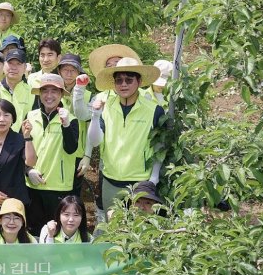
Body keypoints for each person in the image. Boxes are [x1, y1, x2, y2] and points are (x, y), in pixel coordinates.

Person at [87, 57, 164, 227]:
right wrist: (95, 115)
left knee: (140, 229)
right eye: (119, 80)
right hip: (110, 180)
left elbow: (160, 146)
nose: (123, 84)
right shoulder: (106, 107)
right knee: (113, 229)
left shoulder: (154, 110)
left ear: (139, 81)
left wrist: (154, 176)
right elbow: (94, 141)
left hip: (140, 183)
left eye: (129, 80)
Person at [22, 73, 79, 236]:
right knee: (34, 230)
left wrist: (66, 125)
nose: (49, 95)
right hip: (34, 185)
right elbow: (24, 146)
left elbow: (71, 149)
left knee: (57, 232)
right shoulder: (30, 116)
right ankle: (38, 263)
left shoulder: (71, 119)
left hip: (59, 187)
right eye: (45, 91)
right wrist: (28, 170)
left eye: (54, 91)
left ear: (61, 94)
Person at [56, 54, 93, 197]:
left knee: (73, 196)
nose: (69, 74)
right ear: (59, 71)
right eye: (65, 69)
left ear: (79, 73)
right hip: (56, 150)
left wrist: (87, 156)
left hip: (78, 152)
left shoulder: (88, 95)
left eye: (73, 70)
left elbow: (90, 127)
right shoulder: (52, 93)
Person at [0, 48, 31, 132]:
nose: (13, 67)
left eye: (18, 64)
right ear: (4, 65)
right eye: (10, 63)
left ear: (25, 67)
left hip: (22, 142)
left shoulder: (33, 93)